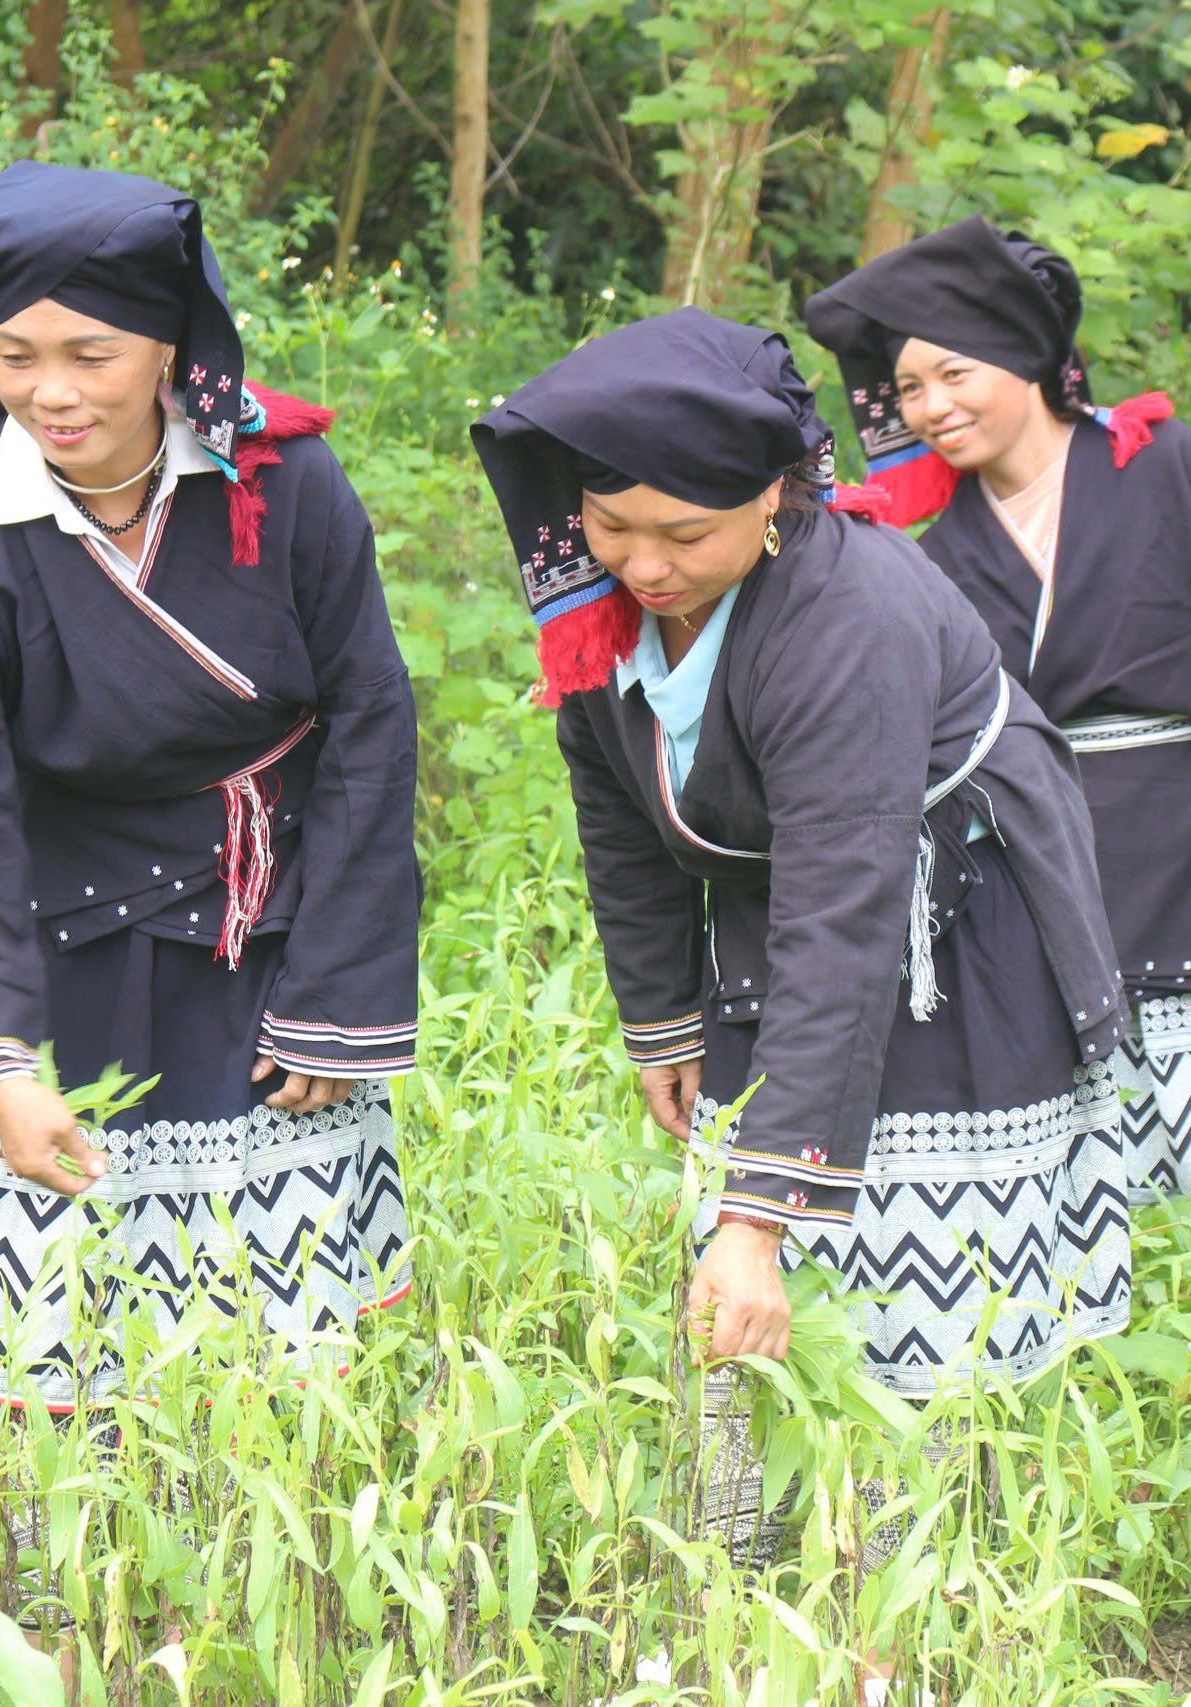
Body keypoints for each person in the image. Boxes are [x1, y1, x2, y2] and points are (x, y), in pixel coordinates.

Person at [471, 307, 1134, 1572]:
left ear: (775, 499)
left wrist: (762, 1216)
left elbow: (845, 906)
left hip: (958, 927)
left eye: (685, 535)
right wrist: (661, 1016)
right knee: (740, 1252)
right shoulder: (599, 610)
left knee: (916, 1248)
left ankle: (922, 1580)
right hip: (770, 915)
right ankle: (749, 1558)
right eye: (612, 527)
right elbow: (620, 819)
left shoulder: (851, 619)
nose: (645, 567)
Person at [0, 161, 422, 1622]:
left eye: (88, 354)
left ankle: (279, 1607)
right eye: (15, 355)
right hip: (65, 945)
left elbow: (372, 727)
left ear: (170, 351)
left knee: (280, 1332)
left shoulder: (288, 489)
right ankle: (64, 1612)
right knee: (59, 1315)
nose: (49, 392)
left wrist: (339, 998)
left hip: (272, 935)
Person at [804, 218, 1191, 1230]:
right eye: (907, 391)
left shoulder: (1167, 467)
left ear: (1027, 352)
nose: (931, 408)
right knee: (1101, 1163)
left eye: (953, 373)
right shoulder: (933, 550)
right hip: (1045, 864)